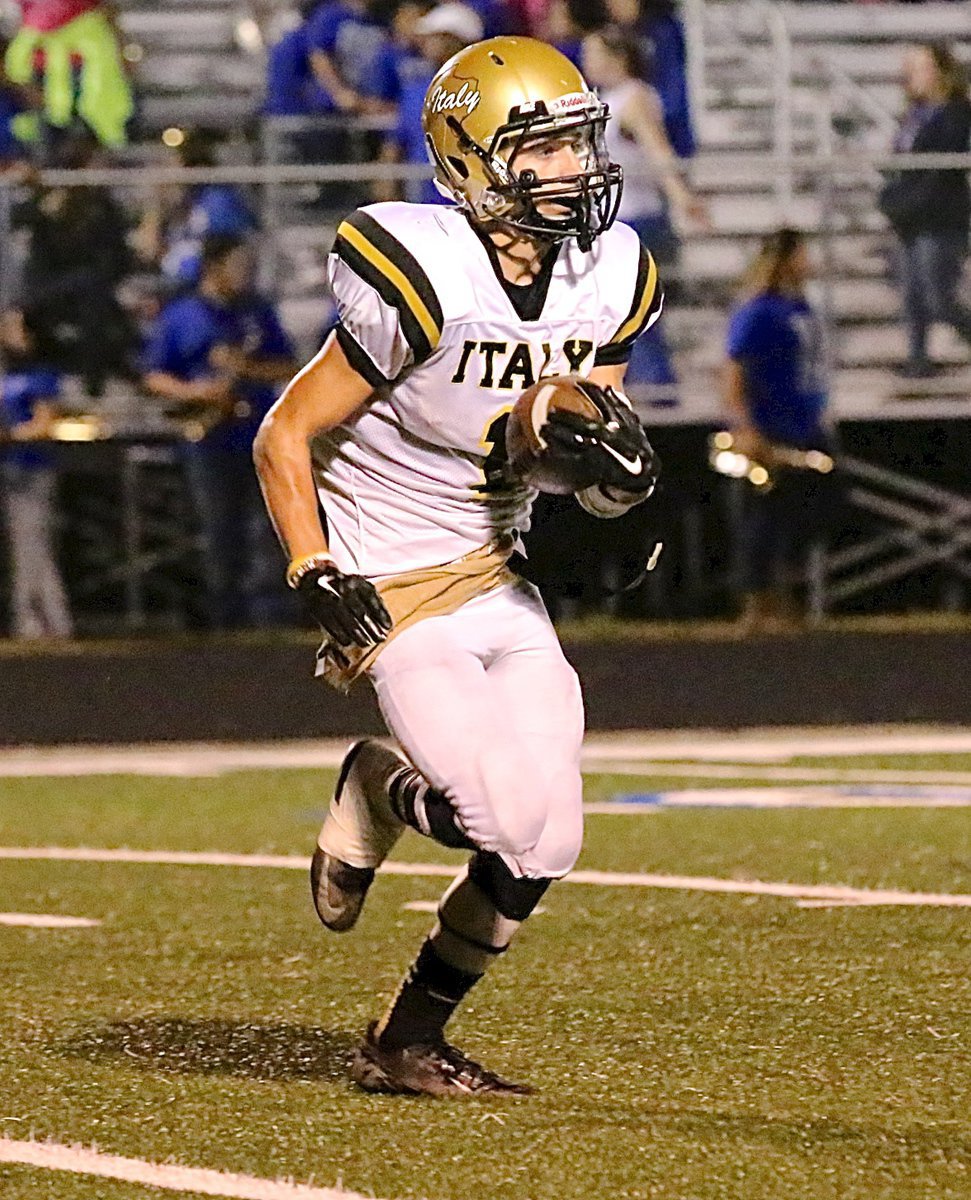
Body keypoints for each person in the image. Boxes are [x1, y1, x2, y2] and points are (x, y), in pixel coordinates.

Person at [254, 35, 661, 1096]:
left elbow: (562, 434)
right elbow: (281, 437)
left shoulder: (604, 274)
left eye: (579, 142)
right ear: (472, 164)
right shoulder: (422, 270)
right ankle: (379, 786)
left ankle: (404, 1042)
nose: (574, 168)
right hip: (391, 579)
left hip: (494, 569)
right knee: (489, 816)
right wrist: (312, 569)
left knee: (547, 838)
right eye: (544, 149)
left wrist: (606, 480)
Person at [143, 235, 297, 629]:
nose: (243, 274)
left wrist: (243, 367)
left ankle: (268, 616)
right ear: (214, 267)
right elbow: (155, 376)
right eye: (236, 265)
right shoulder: (182, 315)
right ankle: (223, 618)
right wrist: (199, 391)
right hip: (209, 436)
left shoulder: (256, 312)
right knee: (217, 529)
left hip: (257, 434)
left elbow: (288, 365)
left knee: (267, 529)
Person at [582, 24, 707, 397]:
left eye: (594, 53)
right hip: (608, 220)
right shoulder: (602, 99)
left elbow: (658, 151)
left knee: (634, 314)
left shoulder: (633, 99)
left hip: (635, 219)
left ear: (617, 58)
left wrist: (682, 196)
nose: (586, 61)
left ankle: (658, 390)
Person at [723, 228, 834, 630]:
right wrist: (745, 427)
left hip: (803, 426)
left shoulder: (801, 307)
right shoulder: (759, 311)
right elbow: (734, 370)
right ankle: (757, 605)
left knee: (801, 515)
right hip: (771, 426)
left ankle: (784, 599)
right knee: (762, 519)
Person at [878, 42, 971, 380]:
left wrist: (908, 202)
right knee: (913, 297)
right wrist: (891, 200)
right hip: (909, 219)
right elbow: (899, 166)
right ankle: (918, 360)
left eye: (919, 68)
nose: (910, 76)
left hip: (940, 219)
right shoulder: (912, 116)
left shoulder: (956, 112)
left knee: (938, 298)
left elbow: (940, 171)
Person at [0, 309, 72, 639]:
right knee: (22, 548)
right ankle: (35, 621)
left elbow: (46, 423)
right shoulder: (6, 372)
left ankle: (43, 622)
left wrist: (11, 436)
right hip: (8, 471)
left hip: (31, 470)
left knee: (32, 546)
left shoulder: (40, 374)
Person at [374, 2, 484, 205]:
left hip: (471, 202)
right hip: (422, 201)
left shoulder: (484, 90)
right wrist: (386, 184)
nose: (426, 42)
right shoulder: (416, 90)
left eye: (435, 36)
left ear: (455, 40)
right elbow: (397, 141)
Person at [3, 0, 133, 147]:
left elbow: (107, 11)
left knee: (90, 118)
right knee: (51, 124)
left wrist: (120, 49)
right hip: (42, 62)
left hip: (86, 61)